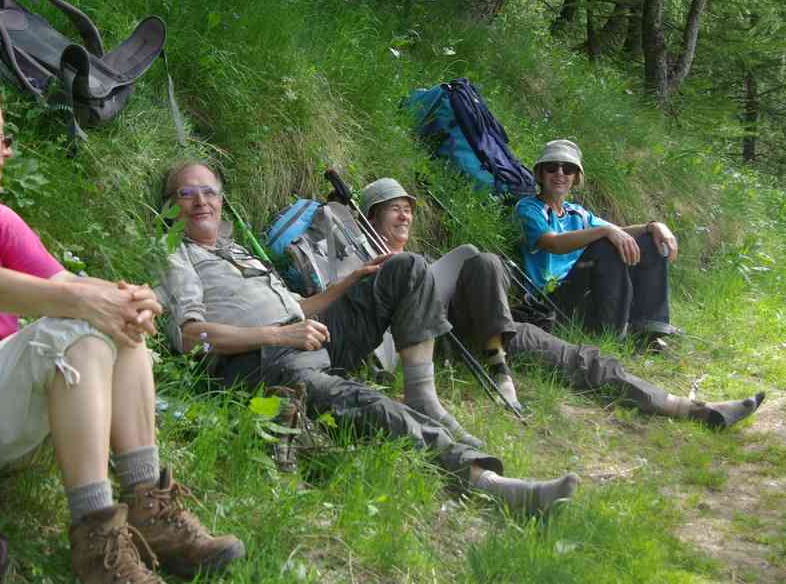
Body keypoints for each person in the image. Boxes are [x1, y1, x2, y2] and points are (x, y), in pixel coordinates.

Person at [0, 81, 244, 584]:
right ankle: (97, 542)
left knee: (114, 322)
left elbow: (65, 284)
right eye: (1, 137)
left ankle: (150, 510)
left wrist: (132, 300)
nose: (8, 150)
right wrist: (89, 302)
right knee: (78, 324)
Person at [157, 160, 581, 514]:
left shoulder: (237, 251)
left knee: (406, 268)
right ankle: (489, 483)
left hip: (307, 338)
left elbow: (300, 308)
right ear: (171, 207)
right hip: (266, 363)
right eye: (187, 193)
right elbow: (192, 337)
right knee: (370, 405)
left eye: (209, 192)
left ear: (221, 200)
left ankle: (423, 397)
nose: (201, 201)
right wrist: (278, 335)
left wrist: (350, 283)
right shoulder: (175, 254)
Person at [361, 176, 765, 430]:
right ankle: (499, 369)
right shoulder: (366, 264)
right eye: (395, 210)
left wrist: (649, 225)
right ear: (372, 217)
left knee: (582, 358)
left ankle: (691, 409)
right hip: (436, 342)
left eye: (408, 210)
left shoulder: (429, 259)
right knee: (482, 264)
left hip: (487, 325)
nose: (405, 216)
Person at [515, 139, 679, 346]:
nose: (560, 174)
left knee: (647, 240)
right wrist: (605, 231)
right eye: (551, 168)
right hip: (551, 300)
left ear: (576, 177)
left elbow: (620, 233)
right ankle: (614, 333)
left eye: (568, 169)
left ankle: (649, 330)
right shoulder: (528, 208)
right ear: (540, 174)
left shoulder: (577, 213)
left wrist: (654, 226)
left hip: (582, 294)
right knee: (605, 245)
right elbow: (553, 243)